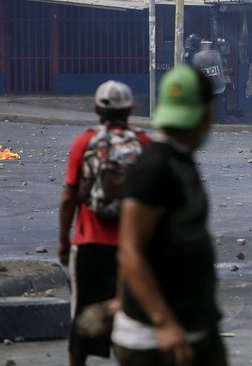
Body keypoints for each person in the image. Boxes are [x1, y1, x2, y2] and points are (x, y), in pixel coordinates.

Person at [112, 66, 228, 366]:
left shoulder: (179, 160)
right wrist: (163, 322)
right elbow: (130, 249)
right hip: (156, 342)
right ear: (207, 112)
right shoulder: (155, 167)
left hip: (193, 327)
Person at [58, 80, 150, 366]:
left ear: (97, 108)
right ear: (132, 108)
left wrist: (64, 240)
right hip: (132, 251)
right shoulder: (145, 144)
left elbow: (69, 197)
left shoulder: (84, 142)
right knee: (134, 325)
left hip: (90, 246)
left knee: (84, 322)